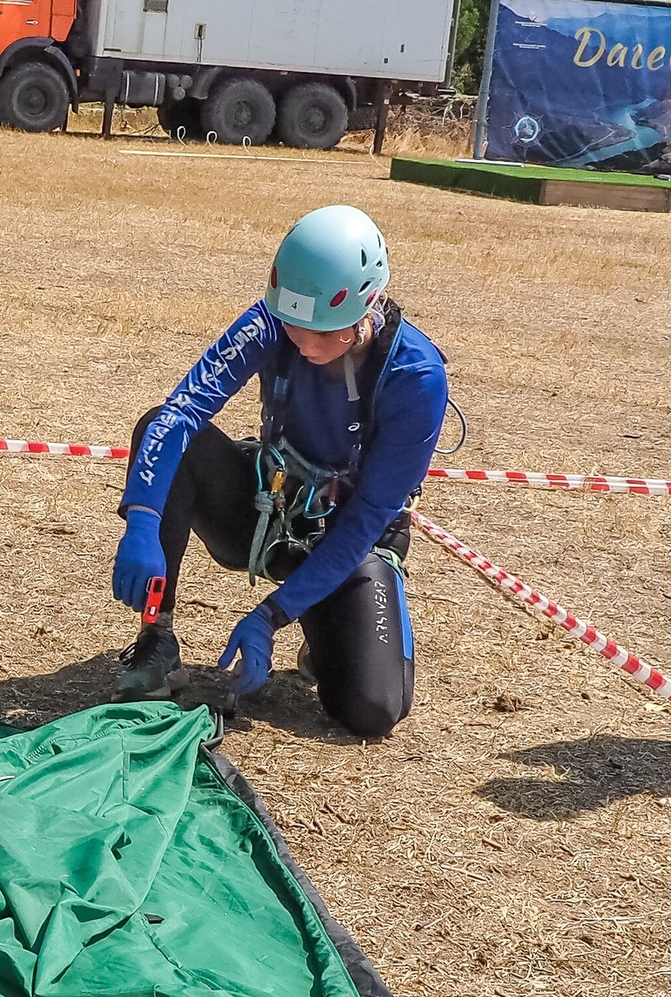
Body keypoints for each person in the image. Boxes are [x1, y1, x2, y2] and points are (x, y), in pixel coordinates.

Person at [109, 205, 446, 739]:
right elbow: (181, 413)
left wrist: (272, 615)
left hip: (348, 538)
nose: (304, 344)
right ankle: (157, 639)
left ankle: (321, 622)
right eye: (294, 326)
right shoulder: (270, 322)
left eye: (324, 333)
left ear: (367, 309)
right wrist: (143, 520)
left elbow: (369, 516)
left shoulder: (416, 377)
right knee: (163, 428)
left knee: (372, 709)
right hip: (269, 505)